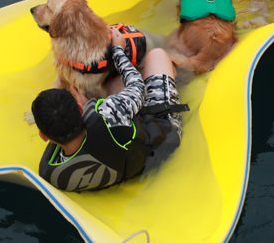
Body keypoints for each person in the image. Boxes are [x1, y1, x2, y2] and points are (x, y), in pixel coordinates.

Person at [30, 36, 185, 192]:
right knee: (157, 55)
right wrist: (118, 50)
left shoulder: (52, 175)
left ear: (44, 136)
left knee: (113, 84)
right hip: (163, 138)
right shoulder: (108, 113)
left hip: (132, 163)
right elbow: (138, 88)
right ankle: (181, 79)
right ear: (81, 109)